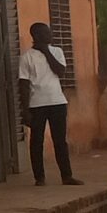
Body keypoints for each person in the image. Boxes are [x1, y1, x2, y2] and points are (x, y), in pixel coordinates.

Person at [18, 22, 80, 186]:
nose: (50, 35)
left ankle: (66, 176)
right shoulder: (27, 57)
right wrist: (25, 110)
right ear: (36, 36)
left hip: (57, 102)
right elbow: (23, 85)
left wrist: (46, 51)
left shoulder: (57, 51)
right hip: (36, 104)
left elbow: (60, 71)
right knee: (36, 142)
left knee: (60, 140)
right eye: (46, 33)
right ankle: (39, 177)